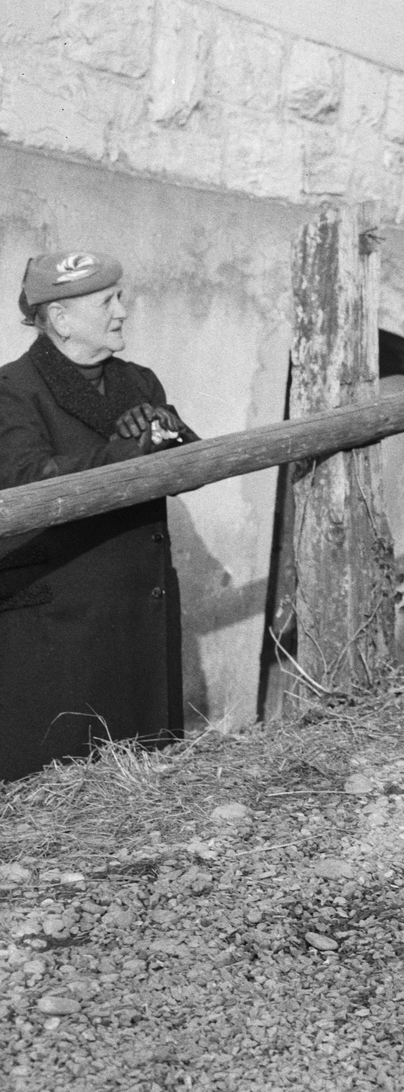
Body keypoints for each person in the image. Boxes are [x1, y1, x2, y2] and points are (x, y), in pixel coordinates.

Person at [0, 253, 194, 781]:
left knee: (147, 783)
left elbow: (194, 467)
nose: (123, 311)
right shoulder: (13, 389)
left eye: (119, 297)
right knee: (65, 784)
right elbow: (26, 480)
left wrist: (166, 429)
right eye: (107, 301)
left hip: (138, 608)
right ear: (61, 319)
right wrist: (127, 450)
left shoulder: (140, 382)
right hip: (62, 622)